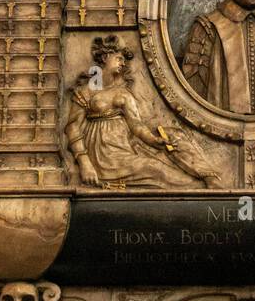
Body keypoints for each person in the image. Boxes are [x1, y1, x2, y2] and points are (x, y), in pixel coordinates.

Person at [66, 35, 220, 190]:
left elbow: (137, 125)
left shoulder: (123, 94)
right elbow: (72, 127)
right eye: (119, 58)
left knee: (171, 140)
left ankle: (205, 180)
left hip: (122, 150)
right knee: (154, 168)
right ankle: (197, 188)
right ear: (105, 57)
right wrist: (84, 162)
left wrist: (153, 140)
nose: (123, 63)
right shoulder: (87, 91)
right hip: (104, 157)